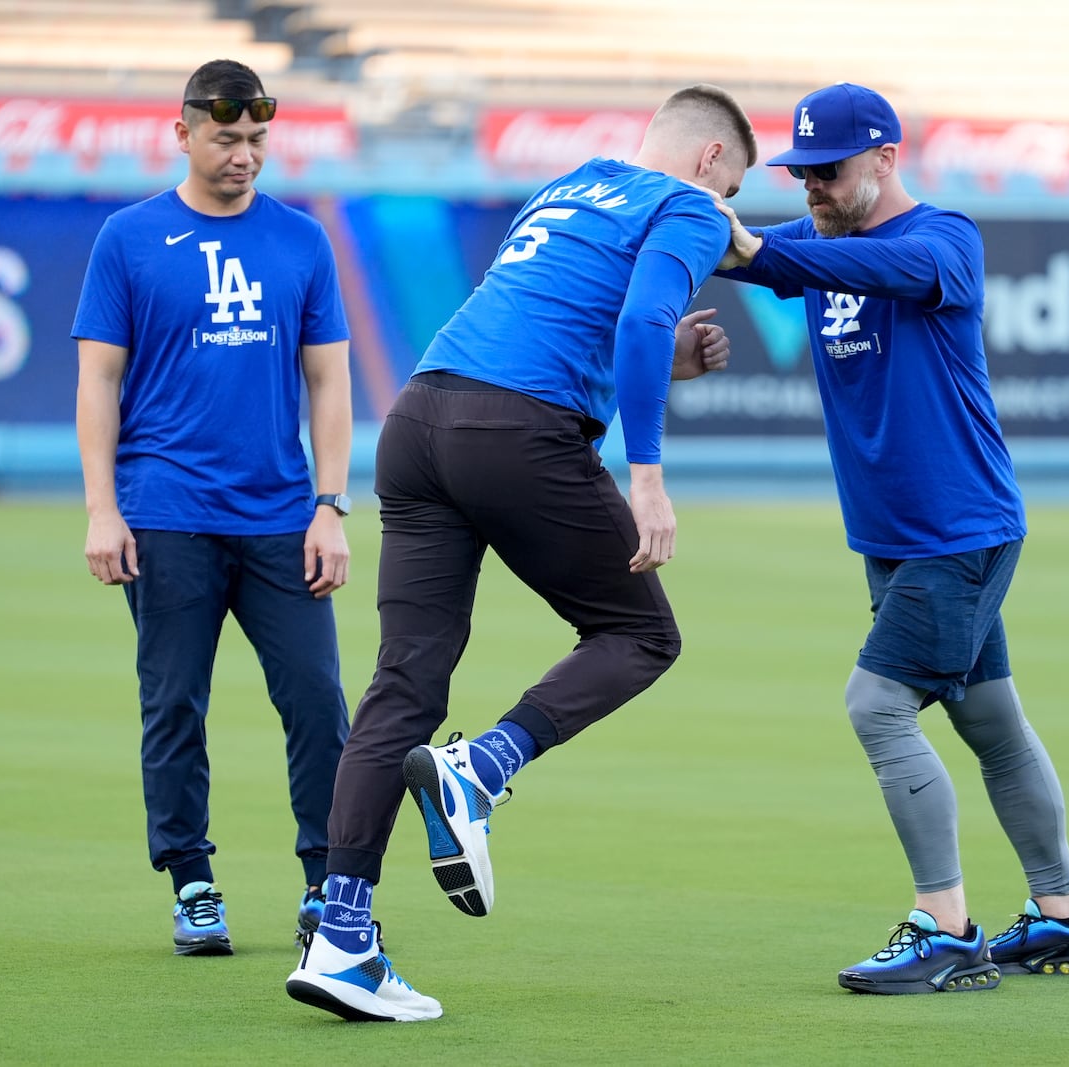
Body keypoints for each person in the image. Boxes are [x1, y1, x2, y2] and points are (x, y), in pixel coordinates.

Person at [283, 83, 756, 1023]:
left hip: (419, 419)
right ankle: (482, 766)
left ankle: (341, 935)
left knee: (403, 683)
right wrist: (649, 477)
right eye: (734, 187)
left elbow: (558, 317)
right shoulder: (691, 205)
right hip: (518, 431)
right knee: (639, 635)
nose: (730, 212)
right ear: (709, 162)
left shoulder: (575, 183)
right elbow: (636, 319)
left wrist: (665, 365)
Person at [712, 82, 1069, 995]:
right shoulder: (816, 241)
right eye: (801, 172)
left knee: (876, 706)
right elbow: (749, 254)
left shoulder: (946, 240)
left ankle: (947, 927)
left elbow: (880, 270)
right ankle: (1063, 918)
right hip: (897, 538)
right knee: (991, 724)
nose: (811, 186)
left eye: (830, 170)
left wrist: (768, 253)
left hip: (957, 531)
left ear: (886, 159)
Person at [72, 58, 354, 957]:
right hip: (164, 512)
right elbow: (97, 382)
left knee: (318, 702)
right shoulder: (127, 237)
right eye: (227, 138)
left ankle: (327, 884)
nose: (245, 155)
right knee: (174, 705)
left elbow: (330, 381)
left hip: (280, 515)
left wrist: (331, 504)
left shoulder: (303, 241)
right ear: (183, 131)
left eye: (258, 139)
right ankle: (192, 881)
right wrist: (101, 509)